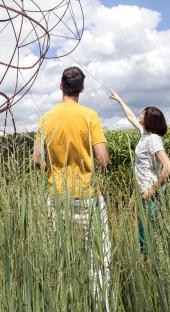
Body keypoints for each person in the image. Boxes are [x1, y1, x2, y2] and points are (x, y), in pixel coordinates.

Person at [33, 66, 111, 308]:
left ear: (60, 86)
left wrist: (53, 167)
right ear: (82, 89)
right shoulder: (90, 116)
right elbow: (103, 159)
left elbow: (36, 160)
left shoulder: (45, 119)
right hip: (88, 197)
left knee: (59, 257)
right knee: (98, 260)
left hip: (56, 197)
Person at [109, 91, 170, 254]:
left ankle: (151, 265)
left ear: (149, 119)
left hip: (152, 194)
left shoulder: (153, 139)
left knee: (147, 233)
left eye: (143, 113)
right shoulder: (145, 134)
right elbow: (130, 116)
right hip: (144, 192)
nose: (140, 114)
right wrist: (120, 100)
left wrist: (152, 190)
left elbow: (168, 167)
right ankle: (149, 264)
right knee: (143, 230)